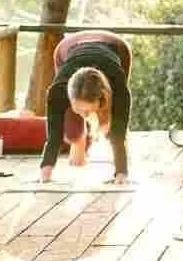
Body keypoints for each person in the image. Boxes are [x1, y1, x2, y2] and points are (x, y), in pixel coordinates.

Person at [41, 31, 131, 183]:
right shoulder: (58, 90)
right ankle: (79, 153)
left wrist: (121, 173)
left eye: (88, 111)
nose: (84, 115)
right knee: (72, 132)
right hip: (68, 47)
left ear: (102, 98)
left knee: (113, 128)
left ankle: (119, 163)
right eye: (79, 109)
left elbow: (118, 133)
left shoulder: (118, 87)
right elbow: (54, 135)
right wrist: (45, 173)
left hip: (116, 46)